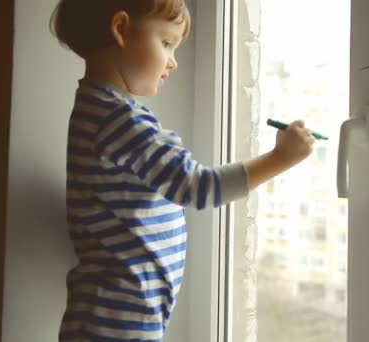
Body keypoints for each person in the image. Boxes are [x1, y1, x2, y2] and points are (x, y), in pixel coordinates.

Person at [50, 0, 315, 340]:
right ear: (120, 29)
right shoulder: (118, 120)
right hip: (119, 314)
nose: (173, 62)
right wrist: (282, 158)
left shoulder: (100, 111)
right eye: (166, 43)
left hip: (117, 308)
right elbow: (198, 186)